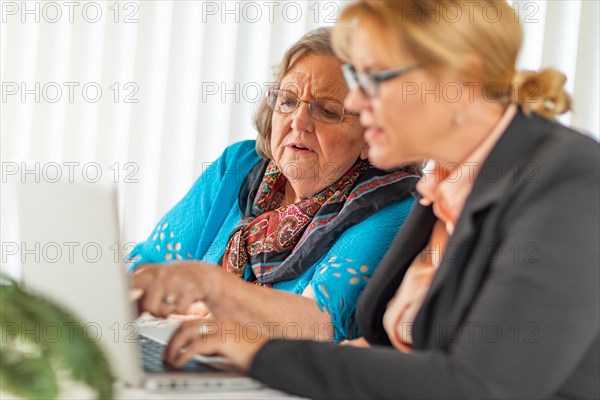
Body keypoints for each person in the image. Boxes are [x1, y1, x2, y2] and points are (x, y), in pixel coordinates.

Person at [158, 1, 600, 399]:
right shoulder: (446, 185)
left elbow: (480, 386)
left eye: (373, 78)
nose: (354, 100)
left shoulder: (571, 181)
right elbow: (385, 351)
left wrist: (261, 354)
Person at [131, 27, 420, 342]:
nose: (298, 121)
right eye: (288, 101)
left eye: (327, 110)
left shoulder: (393, 207)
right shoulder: (238, 166)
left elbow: (320, 325)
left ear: (371, 133)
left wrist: (210, 295)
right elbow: (147, 268)